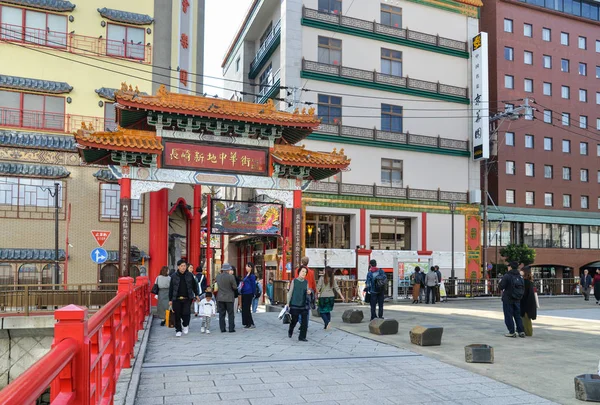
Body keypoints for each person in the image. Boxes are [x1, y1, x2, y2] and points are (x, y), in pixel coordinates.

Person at [168, 259, 200, 337]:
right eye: (181, 266)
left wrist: (196, 294)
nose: (183, 267)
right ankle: (178, 330)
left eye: (184, 266)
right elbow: (171, 288)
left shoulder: (190, 275)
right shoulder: (173, 276)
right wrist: (170, 299)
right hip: (176, 298)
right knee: (177, 314)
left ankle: (185, 325)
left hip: (187, 297)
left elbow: (194, 286)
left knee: (186, 313)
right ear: (178, 267)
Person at [499, 261, 526, 338]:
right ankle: (521, 331)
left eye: (508, 266)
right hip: (517, 298)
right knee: (517, 315)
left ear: (510, 267)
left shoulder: (507, 276)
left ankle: (512, 332)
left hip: (508, 298)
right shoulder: (520, 276)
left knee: (508, 315)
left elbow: (501, 286)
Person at [287, 267, 310, 341]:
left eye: (305, 272)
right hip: (295, 304)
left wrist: (309, 292)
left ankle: (302, 337)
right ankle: (291, 329)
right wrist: (287, 303)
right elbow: (290, 292)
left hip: (303, 304)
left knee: (304, 322)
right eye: (302, 271)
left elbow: (307, 292)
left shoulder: (306, 282)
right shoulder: (294, 281)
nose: (304, 273)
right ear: (299, 272)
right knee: (294, 320)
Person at [216, 263, 238, 333]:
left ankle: (222, 329)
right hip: (229, 297)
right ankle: (231, 328)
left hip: (220, 297)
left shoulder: (218, 277)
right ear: (228, 270)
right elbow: (235, 287)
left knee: (221, 314)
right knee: (230, 313)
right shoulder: (231, 277)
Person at [296, 257, 316, 327]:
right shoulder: (311, 272)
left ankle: (302, 323)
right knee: (306, 310)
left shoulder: (297, 271)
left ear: (301, 262)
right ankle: (305, 324)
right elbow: (313, 283)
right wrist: (314, 291)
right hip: (308, 292)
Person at [520, 267, 537, 337]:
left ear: (524, 272)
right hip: (529, 303)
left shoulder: (525, 282)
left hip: (525, 303)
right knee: (526, 318)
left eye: (521, 271)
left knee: (525, 319)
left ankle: (527, 332)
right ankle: (526, 331)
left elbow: (524, 294)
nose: (520, 272)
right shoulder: (529, 281)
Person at [240, 262, 257, 329]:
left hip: (249, 293)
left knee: (247, 309)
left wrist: (254, 293)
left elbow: (253, 285)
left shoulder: (252, 276)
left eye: (248, 266)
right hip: (244, 293)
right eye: (246, 266)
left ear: (251, 268)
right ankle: (246, 323)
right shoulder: (246, 275)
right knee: (244, 309)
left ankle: (251, 323)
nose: (246, 267)